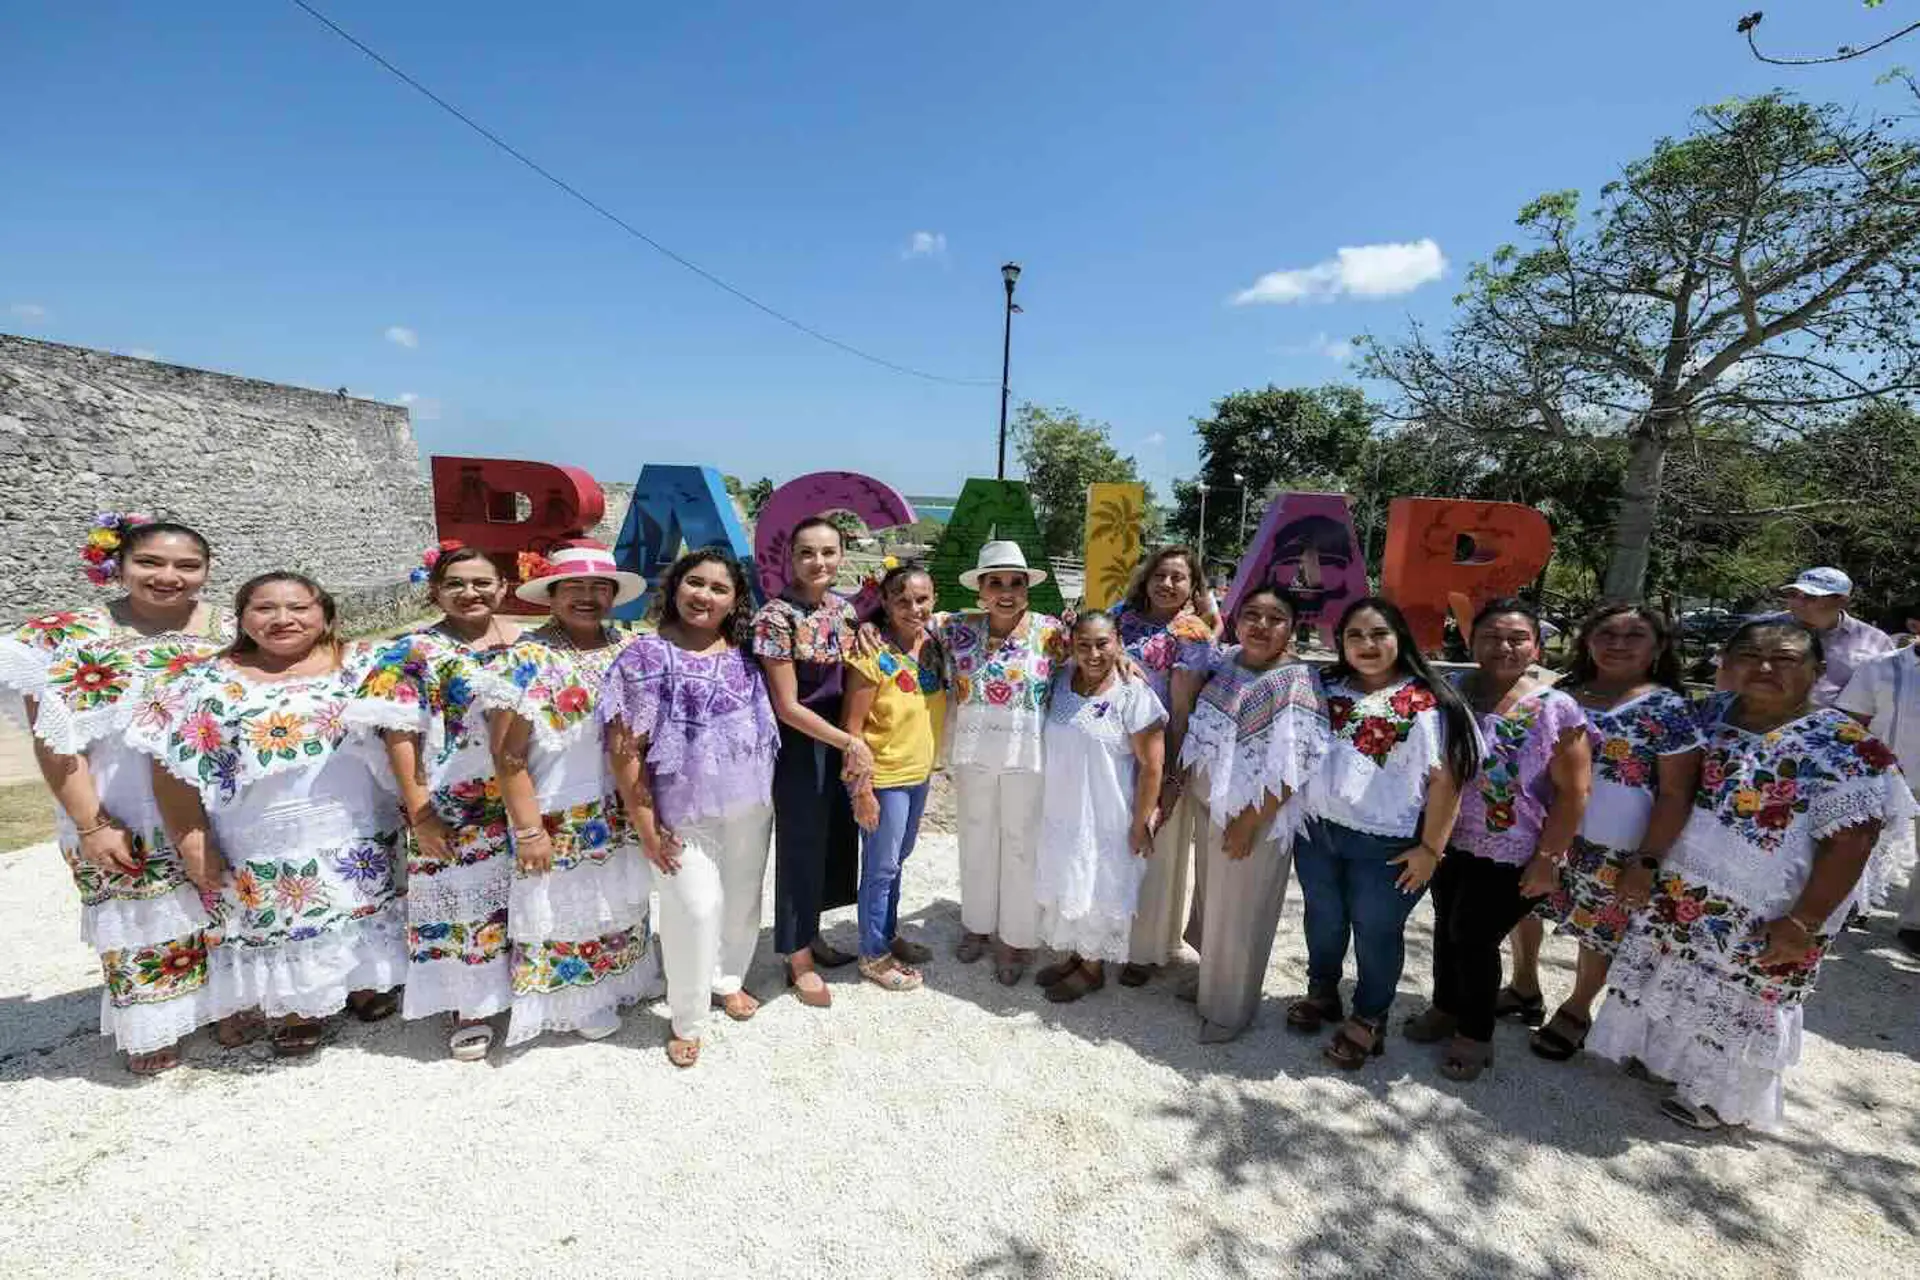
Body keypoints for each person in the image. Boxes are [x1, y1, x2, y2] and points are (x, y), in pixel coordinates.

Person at [1590, 619, 1915, 1131]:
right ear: (1728, 663)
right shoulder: (1708, 713)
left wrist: (1804, 922)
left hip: (1776, 904)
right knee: (1671, 965)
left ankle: (1716, 1097)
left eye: (1784, 659)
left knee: (1751, 990)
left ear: (1817, 670)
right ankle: (1661, 1060)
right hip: (1684, 884)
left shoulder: (1847, 747)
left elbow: (1853, 842)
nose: (1764, 668)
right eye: (1749, 655)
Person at [130, 571, 406, 1058]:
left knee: (360, 897)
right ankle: (294, 1007)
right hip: (258, 827)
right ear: (241, 619)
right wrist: (191, 839)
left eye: (299, 608)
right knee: (279, 911)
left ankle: (366, 982)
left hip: (356, 816)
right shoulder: (201, 682)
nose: (282, 619)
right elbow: (170, 766)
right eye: (264, 608)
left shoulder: (368, 664)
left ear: (325, 615)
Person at [0, 516, 240, 1074]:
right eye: (149, 562)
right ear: (119, 566)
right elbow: (54, 742)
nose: (168, 576)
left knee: (227, 901)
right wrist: (91, 822)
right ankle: (154, 1023)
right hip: (119, 802)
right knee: (141, 915)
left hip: (220, 796)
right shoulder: (59, 638)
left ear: (206, 571)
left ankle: (231, 1004)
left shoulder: (232, 628)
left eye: (187, 565)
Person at [472, 542, 659, 1046]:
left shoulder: (629, 649)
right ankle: (576, 1000)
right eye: (573, 587)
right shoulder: (527, 659)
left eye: (599, 587)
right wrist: (529, 829)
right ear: (551, 596)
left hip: (616, 803)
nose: (587, 597)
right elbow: (507, 754)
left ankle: (623, 980)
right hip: (557, 806)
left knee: (617, 898)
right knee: (563, 906)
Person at [603, 550, 777, 1068]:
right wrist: (646, 825)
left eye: (719, 588)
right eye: (694, 583)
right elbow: (624, 750)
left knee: (742, 901)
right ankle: (687, 1018)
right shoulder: (644, 657)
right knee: (694, 909)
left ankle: (728, 978)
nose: (704, 596)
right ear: (675, 587)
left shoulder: (748, 652)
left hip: (751, 803)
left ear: (736, 600)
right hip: (681, 812)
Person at [1404, 599, 1590, 1082]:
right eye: (1490, 636)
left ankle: (1475, 1031)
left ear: (1537, 647)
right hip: (1447, 838)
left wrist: (1548, 858)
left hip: (1515, 848)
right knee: (1447, 925)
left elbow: (1575, 792)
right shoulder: (1452, 691)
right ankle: (1446, 1006)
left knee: (1474, 935)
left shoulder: (1556, 708)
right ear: (1471, 643)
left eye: (1517, 638)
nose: (1503, 646)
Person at [350, 543, 523, 1061]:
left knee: (525, 892)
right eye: (455, 584)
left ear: (503, 587)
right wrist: (420, 810)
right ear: (435, 591)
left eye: (482, 582)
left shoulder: (529, 642)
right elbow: (397, 734)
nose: (470, 592)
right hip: (455, 797)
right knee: (464, 897)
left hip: (529, 791)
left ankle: (528, 988)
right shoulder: (412, 651)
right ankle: (468, 1003)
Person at [1292, 596, 1479, 1069]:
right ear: (1340, 642)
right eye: (1355, 635)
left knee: (1376, 930)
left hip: (1387, 843)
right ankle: (1322, 991)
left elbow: (1446, 782)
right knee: (1323, 917)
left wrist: (1430, 850)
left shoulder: (1429, 702)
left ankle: (1370, 1017)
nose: (1367, 644)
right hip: (1316, 831)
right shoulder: (1321, 685)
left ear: (1400, 639)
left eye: (1379, 634)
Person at [1514, 605, 1703, 1062]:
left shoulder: (1669, 709)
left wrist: (1647, 859)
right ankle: (1523, 986)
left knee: (1599, 931)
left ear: (1658, 647)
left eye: (1634, 635)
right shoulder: (1562, 693)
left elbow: (1676, 793)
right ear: (1588, 641)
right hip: (1545, 830)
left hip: (1616, 845)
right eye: (1606, 634)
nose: (1618, 644)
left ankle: (1578, 1008)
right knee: (1523, 907)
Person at [1177, 585, 1329, 1042]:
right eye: (1252, 615)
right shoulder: (1227, 662)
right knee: (1214, 901)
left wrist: (1249, 822)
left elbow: (1299, 762)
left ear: (1292, 627)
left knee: (1242, 912)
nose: (1261, 625)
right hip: (1210, 808)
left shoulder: (1298, 681)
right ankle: (1212, 981)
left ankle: (1230, 1009)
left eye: (1275, 618)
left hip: (1253, 819)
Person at [753, 518, 874, 1009]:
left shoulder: (843, 610)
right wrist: (849, 743)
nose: (818, 562)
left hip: (838, 734)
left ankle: (813, 931)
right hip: (800, 743)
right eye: (807, 552)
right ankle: (796, 954)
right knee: (801, 846)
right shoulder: (775, 617)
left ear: (841, 555)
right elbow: (787, 706)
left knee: (832, 841)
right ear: (791, 557)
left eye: (828, 552)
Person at [938, 540, 1070, 986]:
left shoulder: (1052, 633)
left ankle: (1015, 938)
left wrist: (1125, 663)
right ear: (980, 589)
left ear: (1027, 588)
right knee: (975, 838)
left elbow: (1097, 658)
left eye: (1015, 583)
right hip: (973, 753)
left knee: (1020, 844)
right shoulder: (955, 628)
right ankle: (977, 924)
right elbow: (902, 621)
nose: (1006, 592)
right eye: (995, 582)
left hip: (1027, 756)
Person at [1031, 612, 1167, 1002]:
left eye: (1103, 644)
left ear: (1118, 642)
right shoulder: (1061, 680)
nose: (1093, 654)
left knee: (1096, 887)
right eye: (1084, 644)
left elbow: (1152, 766)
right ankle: (1076, 955)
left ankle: (1091, 970)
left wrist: (1140, 823)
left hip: (1106, 813)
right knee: (1070, 881)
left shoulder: (1133, 693)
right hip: (1063, 809)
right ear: (1072, 645)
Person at [1110, 545, 1218, 987]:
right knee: (1114, 842)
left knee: (1156, 847)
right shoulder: (1121, 616)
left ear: (1193, 588)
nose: (1167, 584)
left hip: (1163, 750)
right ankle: (1107, 934)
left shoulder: (1191, 633)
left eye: (1178, 577)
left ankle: (1146, 948)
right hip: (1112, 750)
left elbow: (1184, 708)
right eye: (1160, 575)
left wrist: (1172, 777)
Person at [842, 563, 947, 993]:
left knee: (895, 861)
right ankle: (872, 953)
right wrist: (861, 790)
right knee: (881, 866)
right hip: (883, 776)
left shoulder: (936, 644)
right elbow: (852, 729)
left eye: (922, 599)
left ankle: (887, 934)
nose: (914, 608)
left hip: (918, 774)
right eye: (902, 600)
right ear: (884, 602)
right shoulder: (871, 653)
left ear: (934, 600)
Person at [1837, 599, 1920, 954]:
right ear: (1915, 625)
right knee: (1863, 841)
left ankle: (1915, 923)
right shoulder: (1881, 667)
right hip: (1885, 774)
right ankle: (1848, 904)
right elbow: (1852, 722)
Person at [1777, 568, 1894, 707]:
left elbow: (1888, 690)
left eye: (1810, 597)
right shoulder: (1765, 628)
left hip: (1843, 718)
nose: (1797, 602)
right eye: (1793, 594)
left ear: (1842, 601)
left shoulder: (1875, 641)